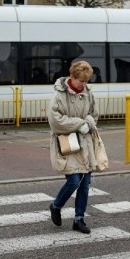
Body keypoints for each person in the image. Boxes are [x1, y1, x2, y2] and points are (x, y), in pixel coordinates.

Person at [47, 60, 99, 234]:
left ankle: (79, 219)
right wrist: (79, 123)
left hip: (85, 141)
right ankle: (56, 206)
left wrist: (89, 123)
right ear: (72, 77)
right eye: (81, 81)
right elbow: (55, 120)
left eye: (86, 81)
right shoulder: (59, 95)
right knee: (74, 181)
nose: (84, 84)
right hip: (66, 139)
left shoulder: (88, 92)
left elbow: (94, 113)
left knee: (85, 183)